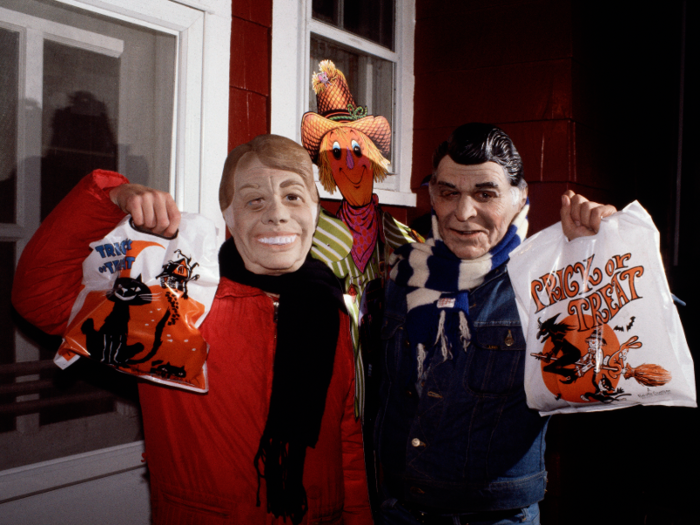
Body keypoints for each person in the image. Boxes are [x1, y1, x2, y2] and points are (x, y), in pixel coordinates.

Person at [12, 134, 373, 525]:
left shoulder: (329, 307)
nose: (277, 215)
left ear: (315, 210)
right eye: (254, 200)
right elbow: (40, 296)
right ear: (228, 215)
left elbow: (345, 440)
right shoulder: (180, 304)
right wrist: (111, 197)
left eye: (293, 197)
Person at [373, 123, 616, 525]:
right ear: (432, 195)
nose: (463, 213)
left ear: (520, 197)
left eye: (485, 194)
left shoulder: (549, 280)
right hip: (398, 509)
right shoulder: (403, 272)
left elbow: (624, 354)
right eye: (449, 192)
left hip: (494, 517)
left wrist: (602, 256)